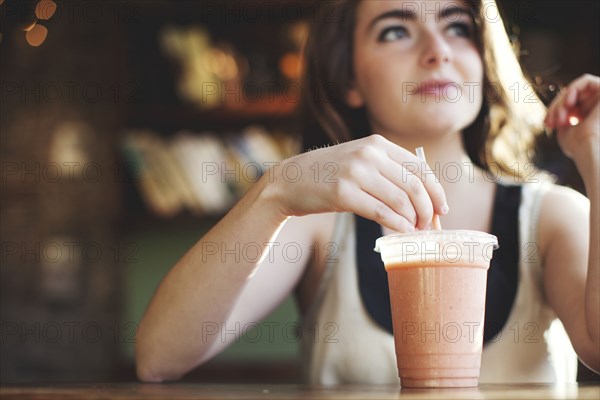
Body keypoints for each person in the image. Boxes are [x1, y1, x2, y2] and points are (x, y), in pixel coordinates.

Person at [135, 0, 599, 384]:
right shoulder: (316, 223)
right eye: (395, 31)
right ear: (349, 80)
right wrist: (276, 189)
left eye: (457, 26)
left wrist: (597, 158)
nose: (438, 51)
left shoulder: (552, 216)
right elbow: (159, 356)